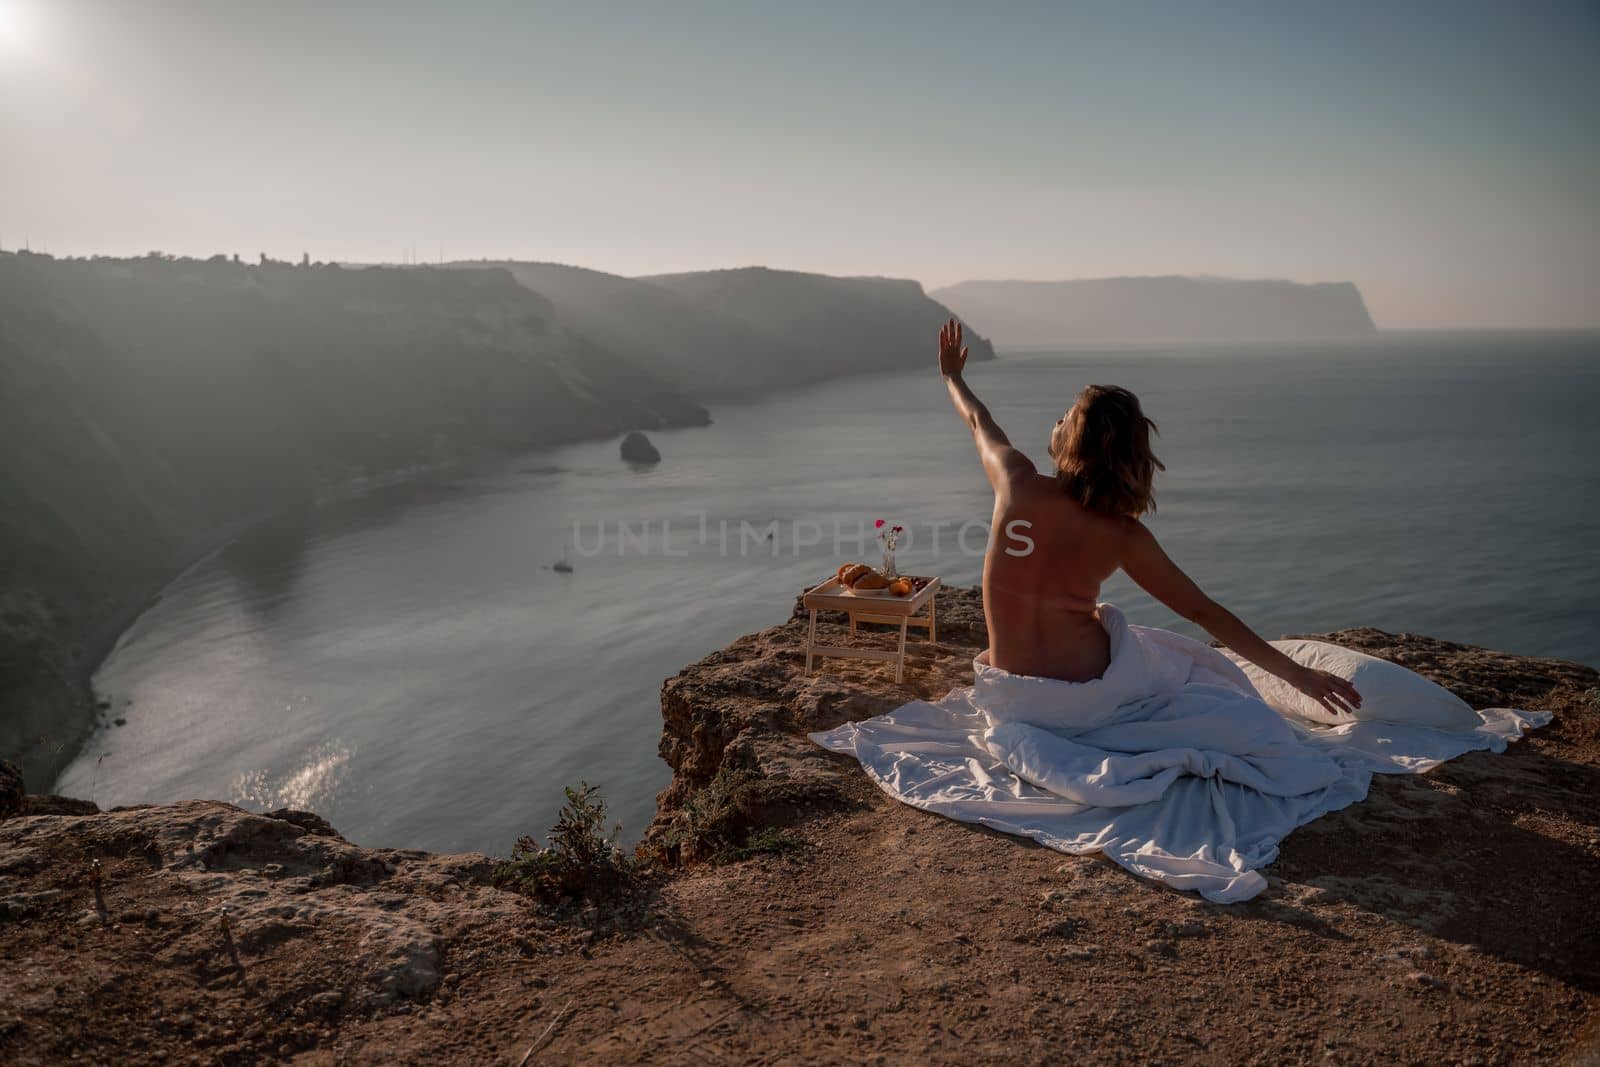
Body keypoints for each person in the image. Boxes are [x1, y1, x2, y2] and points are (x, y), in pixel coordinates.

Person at [936, 318, 1361, 719]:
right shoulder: (1123, 535)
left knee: (1149, 646)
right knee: (1178, 657)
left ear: (1077, 441)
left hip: (1010, 697)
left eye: (1066, 416)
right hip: (1084, 700)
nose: (1057, 418)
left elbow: (978, 420)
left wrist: (953, 377)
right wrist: (1299, 676)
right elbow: (1202, 612)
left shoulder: (1016, 482)